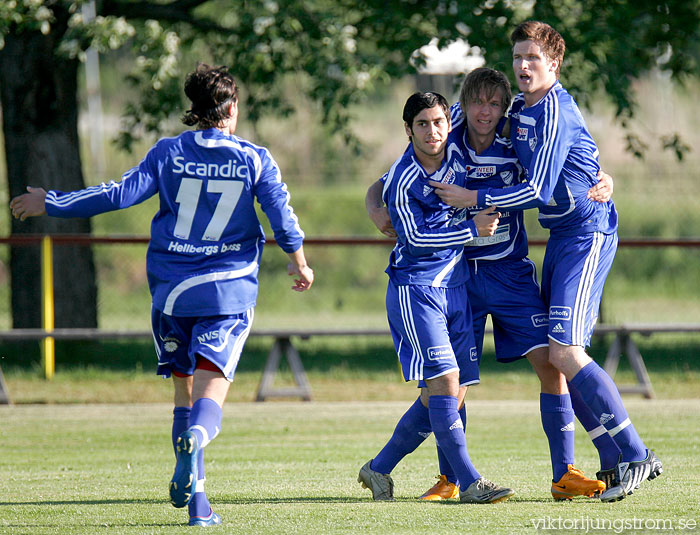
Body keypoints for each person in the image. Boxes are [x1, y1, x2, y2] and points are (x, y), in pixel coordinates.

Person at [10, 63, 314, 526]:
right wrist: (298, 261)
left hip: (170, 294)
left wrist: (48, 200)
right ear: (231, 108)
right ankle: (197, 438)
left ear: (193, 108)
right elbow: (282, 219)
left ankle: (198, 507)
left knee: (182, 393)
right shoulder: (255, 158)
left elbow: (117, 195)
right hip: (225, 295)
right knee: (209, 400)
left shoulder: (167, 153)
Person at [428, 22, 662, 502]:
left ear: (554, 64)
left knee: (564, 355)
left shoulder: (554, 108)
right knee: (558, 357)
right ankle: (615, 464)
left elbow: (536, 189)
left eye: (533, 58)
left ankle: (637, 455)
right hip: (559, 238)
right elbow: (437, 127)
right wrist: (379, 192)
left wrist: (475, 195)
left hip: (587, 232)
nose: (522, 66)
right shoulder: (513, 107)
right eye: (518, 58)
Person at [366, 68, 611, 502]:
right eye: (476, 102)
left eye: (494, 104)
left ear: (504, 108)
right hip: (457, 275)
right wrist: (373, 206)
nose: (485, 111)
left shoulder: (520, 137)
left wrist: (604, 178)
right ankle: (451, 479)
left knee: (551, 365)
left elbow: (567, 156)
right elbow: (387, 180)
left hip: (510, 273)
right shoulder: (448, 132)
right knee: (450, 384)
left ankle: (564, 474)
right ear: (464, 104)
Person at [358, 91, 515, 505]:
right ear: (407, 129)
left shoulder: (457, 147)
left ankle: (378, 469)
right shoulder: (404, 178)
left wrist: (597, 174)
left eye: (439, 123)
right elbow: (416, 239)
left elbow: (496, 111)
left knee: (445, 393)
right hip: (416, 290)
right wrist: (471, 230)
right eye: (422, 124)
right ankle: (469, 483)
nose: (433, 131)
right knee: (445, 382)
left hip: (457, 288)